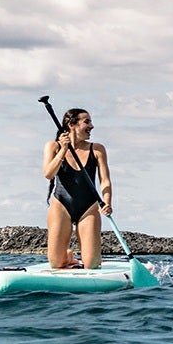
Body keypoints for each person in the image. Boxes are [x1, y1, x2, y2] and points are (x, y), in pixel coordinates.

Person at [43, 108, 113, 269]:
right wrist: (64, 149)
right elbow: (48, 174)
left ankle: (88, 256)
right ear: (71, 124)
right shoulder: (53, 146)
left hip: (88, 207)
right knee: (56, 264)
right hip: (61, 205)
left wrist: (107, 202)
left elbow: (105, 181)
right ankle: (68, 256)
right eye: (87, 122)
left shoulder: (97, 149)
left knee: (92, 264)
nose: (92, 126)